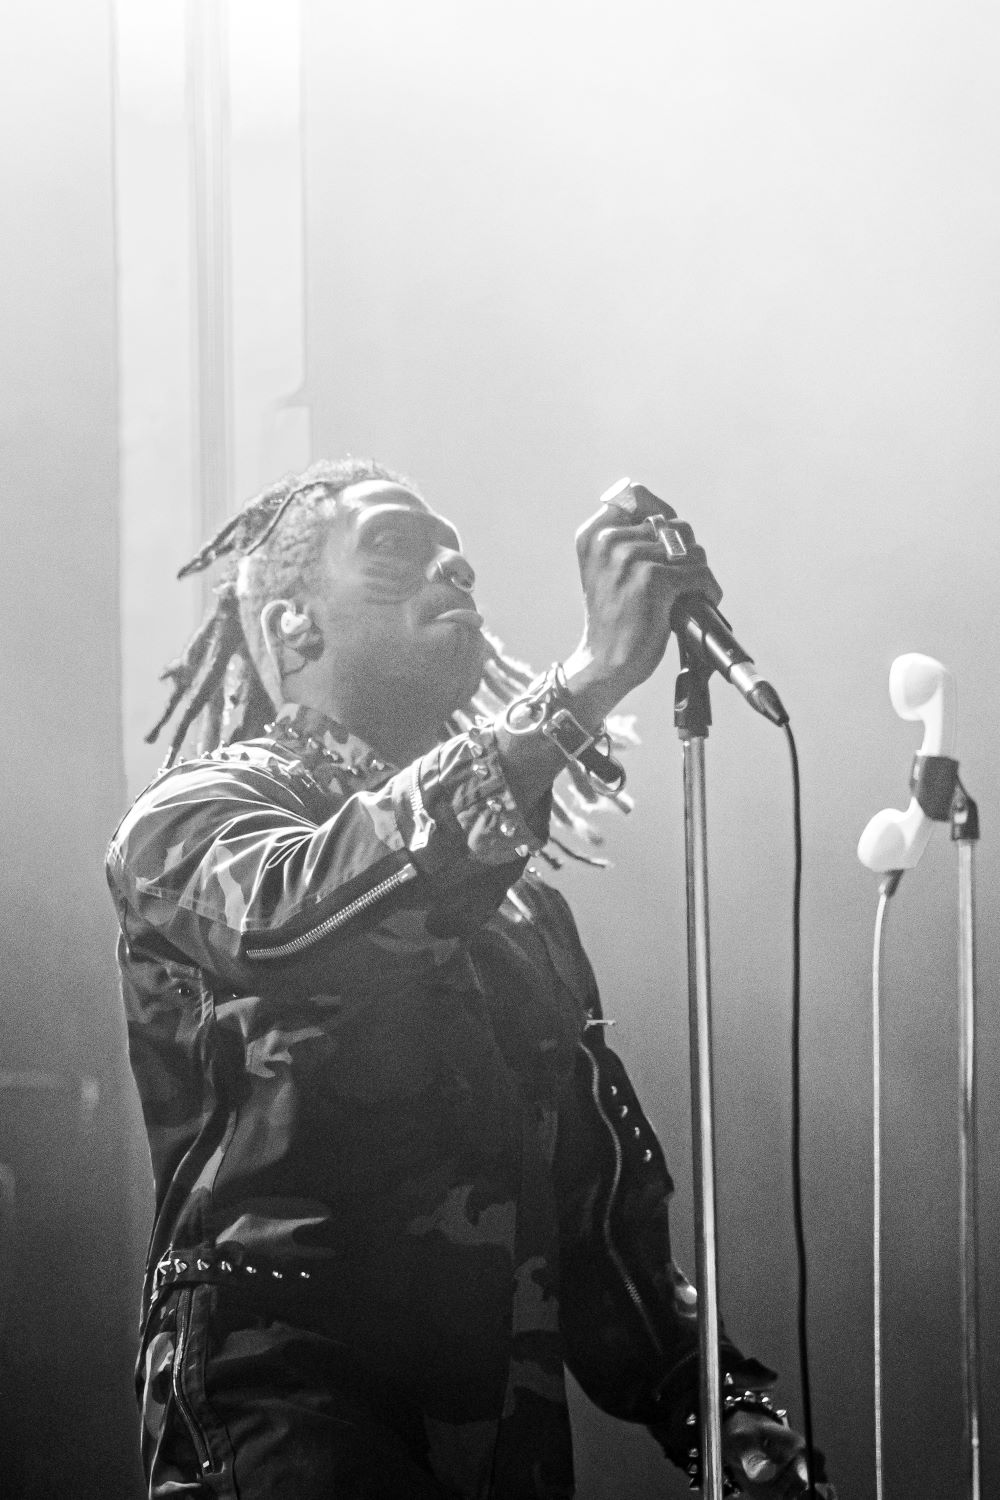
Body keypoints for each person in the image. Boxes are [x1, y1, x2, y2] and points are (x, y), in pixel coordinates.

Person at [107, 458, 835, 1500]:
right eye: (395, 549)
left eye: (456, 554)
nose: (452, 566)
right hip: (284, 1414)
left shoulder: (522, 907)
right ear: (289, 625)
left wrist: (718, 1409)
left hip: (498, 1439)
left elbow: (597, 1217)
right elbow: (300, 919)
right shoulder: (192, 815)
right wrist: (576, 692)